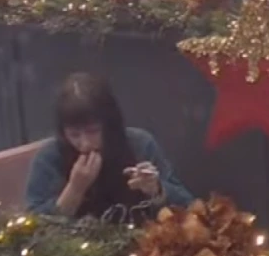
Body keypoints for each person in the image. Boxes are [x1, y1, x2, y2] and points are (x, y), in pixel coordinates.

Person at [25, 72, 194, 221]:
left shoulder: (140, 144)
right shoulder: (49, 158)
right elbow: (33, 230)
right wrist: (75, 190)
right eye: (74, 135)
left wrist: (157, 189)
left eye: (93, 131)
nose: (85, 144)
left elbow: (189, 206)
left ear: (109, 125)